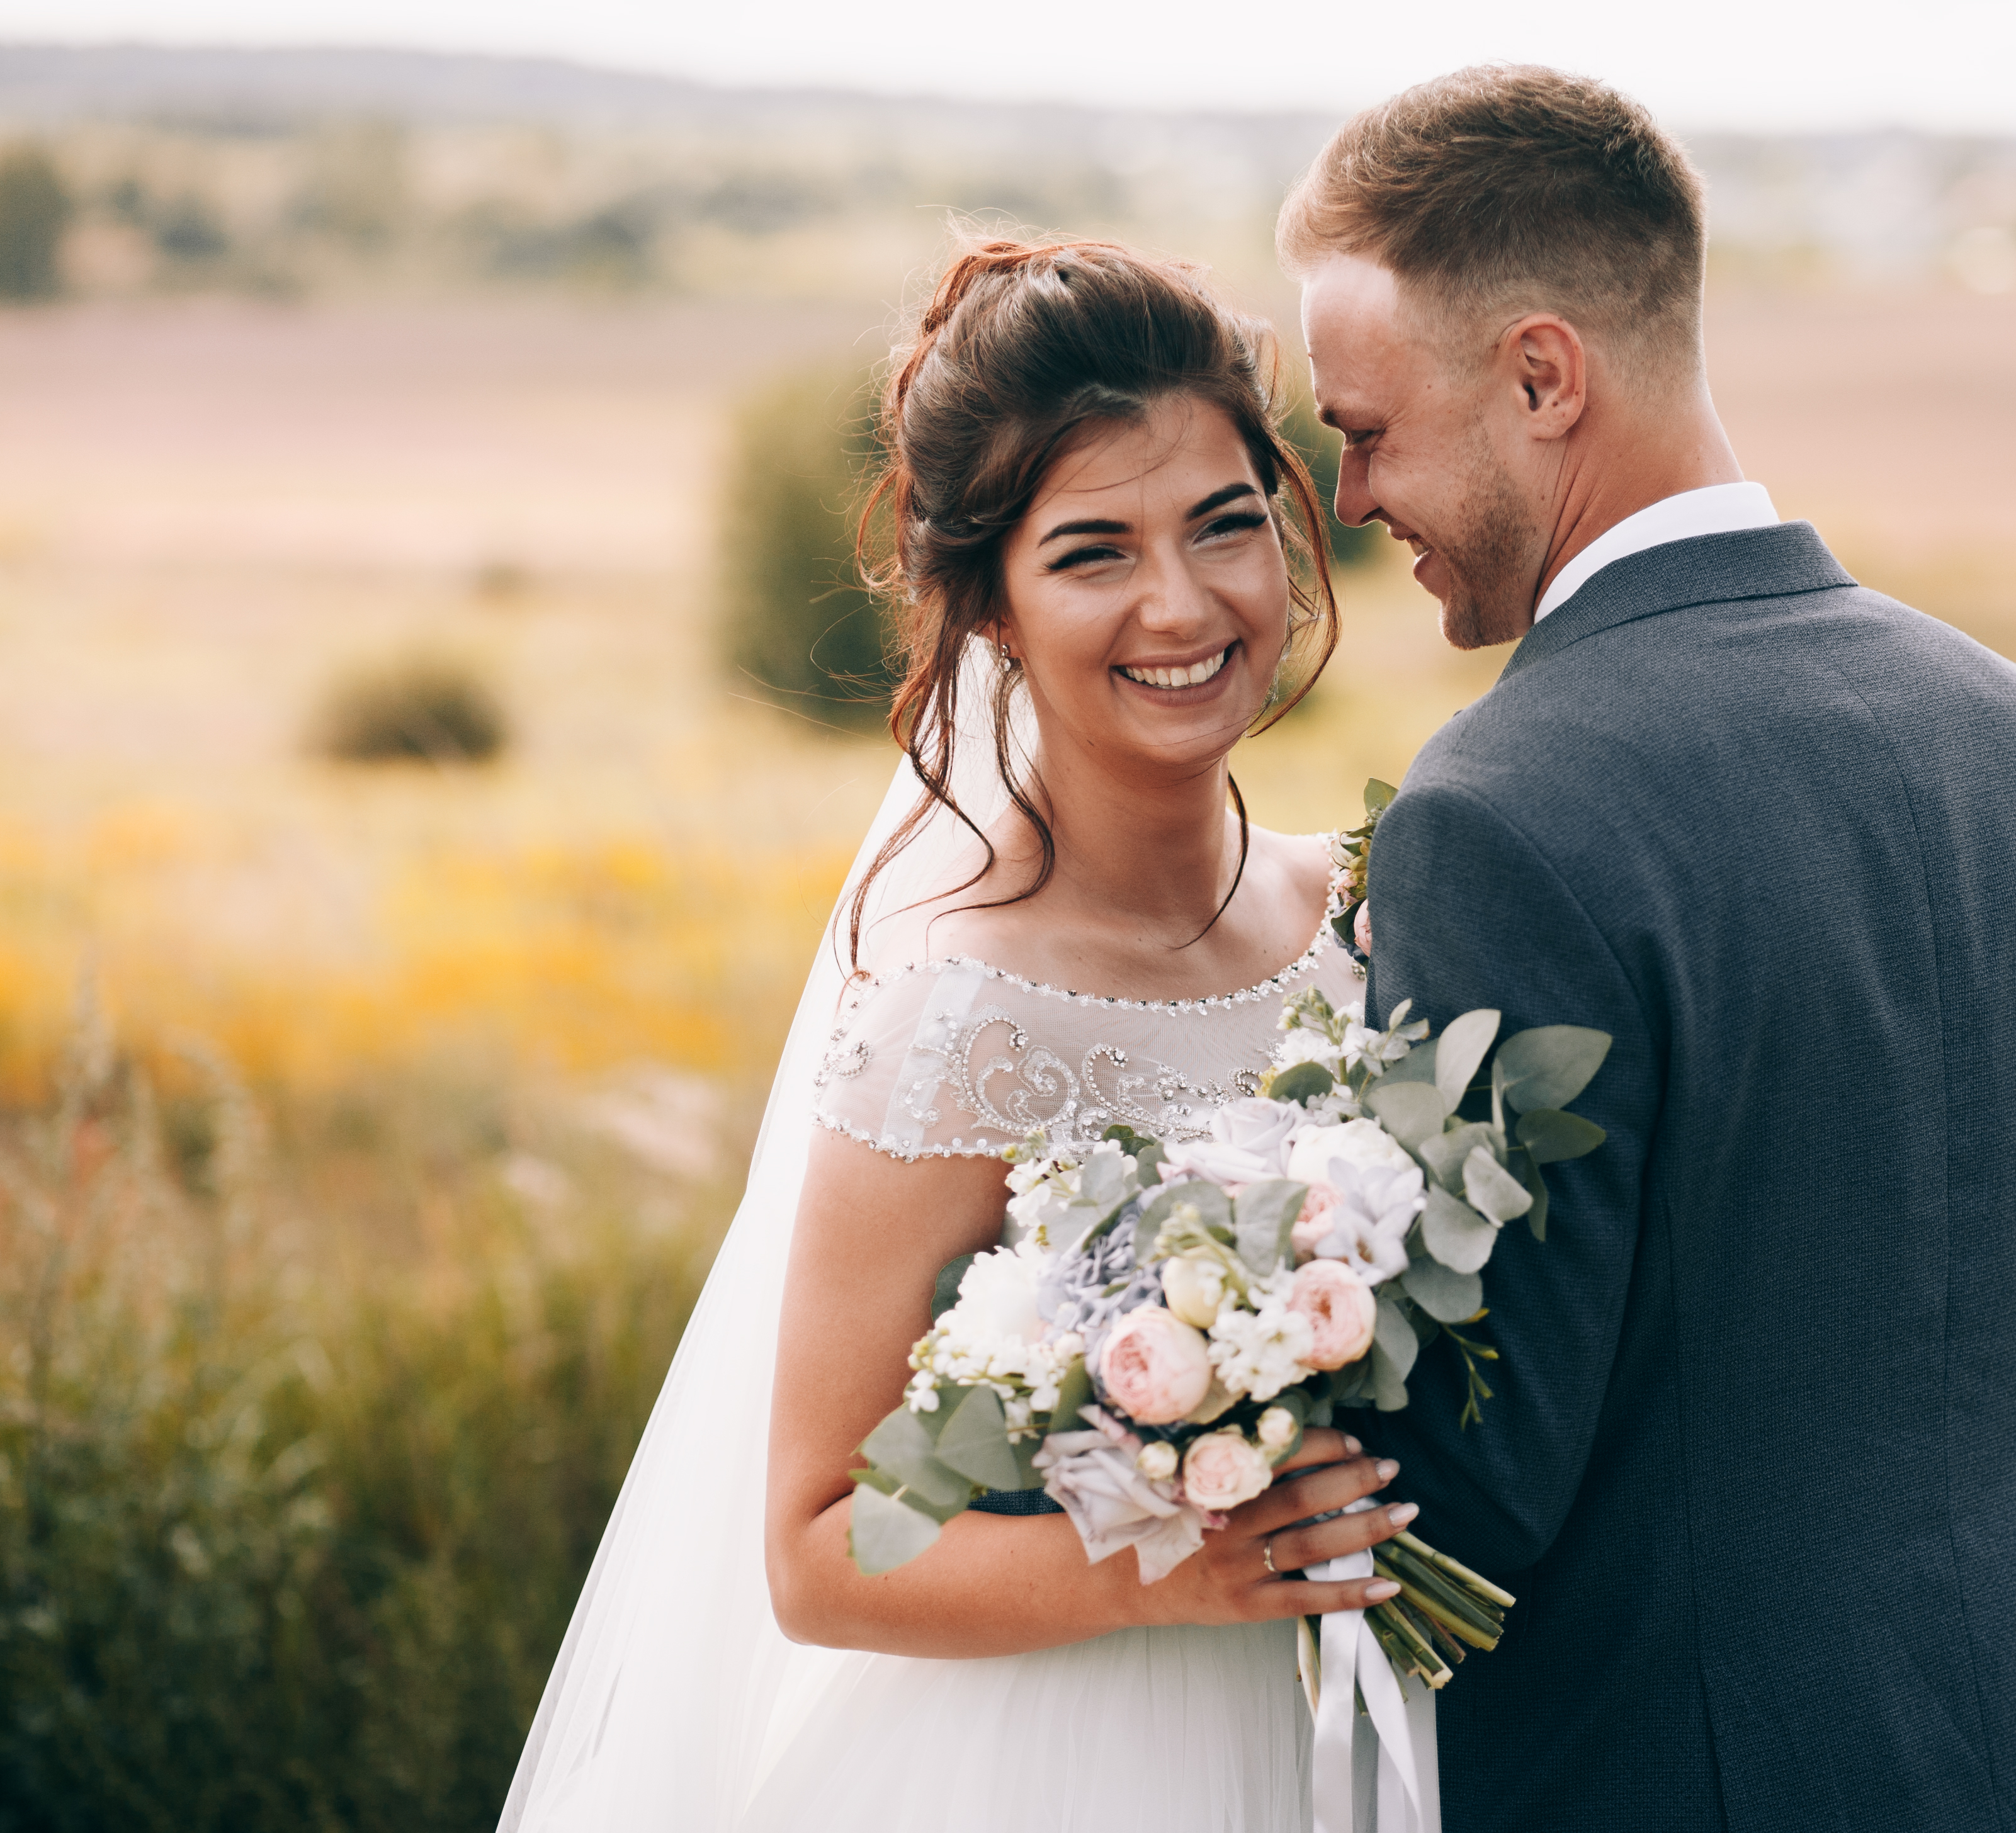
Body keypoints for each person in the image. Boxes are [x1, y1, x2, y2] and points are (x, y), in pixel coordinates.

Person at [1284, 67, 2016, 1830]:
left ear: (1544, 378)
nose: (1349, 492)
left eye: (1370, 428)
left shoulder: (1500, 812)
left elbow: (1468, 1486)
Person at [502, 238, 1415, 1833]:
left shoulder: (1353, 919)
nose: (1182, 603)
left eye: (1225, 523)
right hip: (1061, 1761)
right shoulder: (957, 1015)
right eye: (1092, 553)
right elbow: (816, 1544)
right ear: (987, 607)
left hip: (1347, 1722)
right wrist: (1173, 1564)